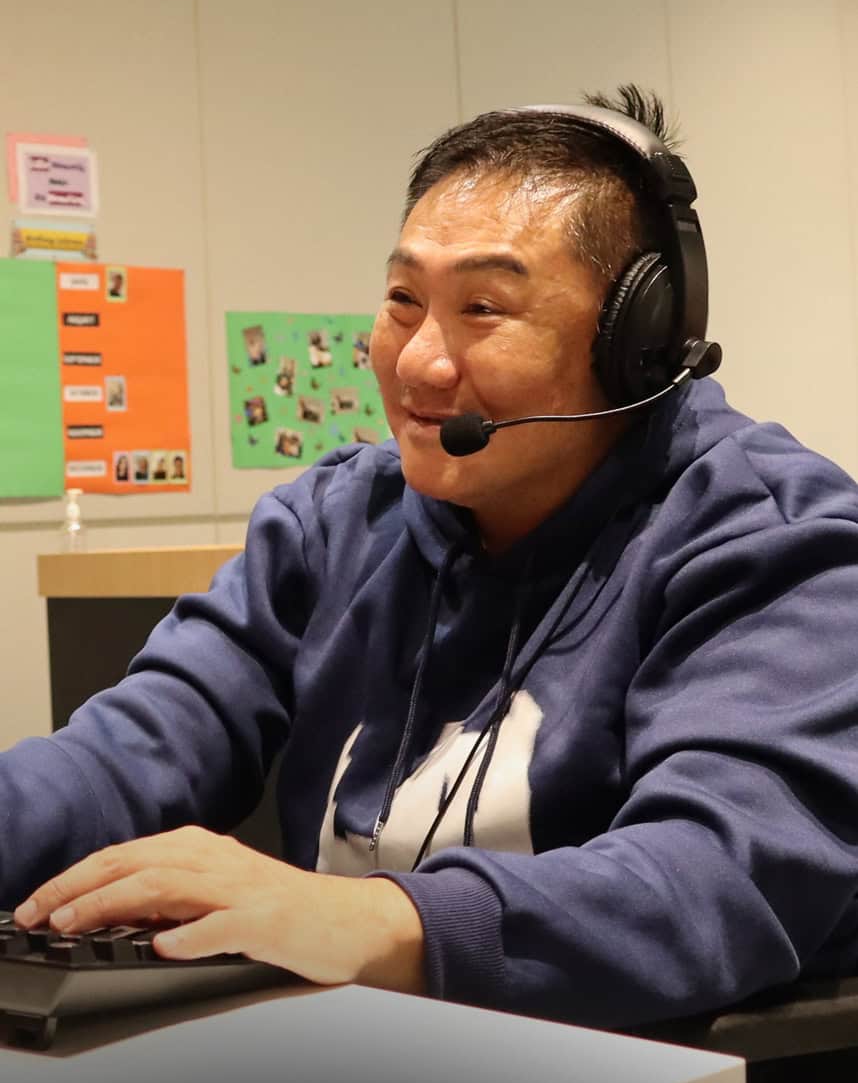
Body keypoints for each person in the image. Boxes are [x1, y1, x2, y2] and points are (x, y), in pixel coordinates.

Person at [5, 85, 858, 1033]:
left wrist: (376, 921)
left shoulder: (774, 541)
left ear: (638, 344)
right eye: (404, 300)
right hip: (373, 1072)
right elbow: (131, 753)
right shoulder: (332, 522)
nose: (417, 364)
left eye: (483, 309)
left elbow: (722, 878)